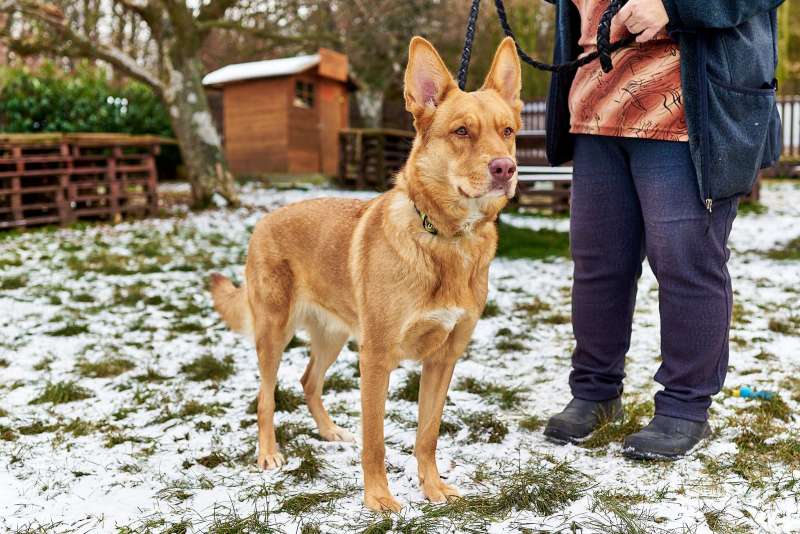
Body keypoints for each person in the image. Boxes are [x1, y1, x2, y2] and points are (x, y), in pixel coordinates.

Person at [542, 0, 783, 459]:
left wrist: (674, 6)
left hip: (688, 113)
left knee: (685, 264)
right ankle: (594, 392)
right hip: (595, 106)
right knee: (598, 265)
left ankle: (684, 408)